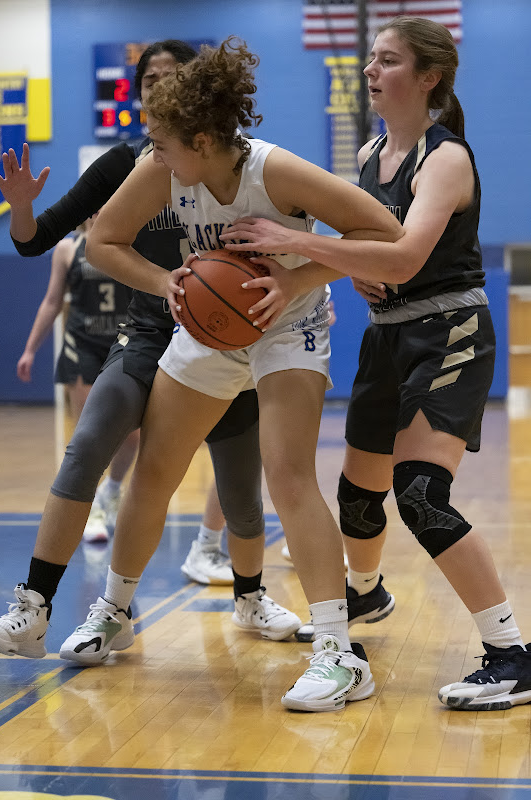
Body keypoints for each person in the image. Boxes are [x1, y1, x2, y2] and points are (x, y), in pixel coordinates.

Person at [76, 36, 403, 712]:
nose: (154, 154)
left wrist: (297, 276)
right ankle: (113, 609)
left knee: (286, 474)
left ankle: (338, 655)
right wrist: (165, 279)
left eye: (163, 144)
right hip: (209, 325)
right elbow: (102, 243)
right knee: (157, 468)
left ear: (200, 139)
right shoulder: (162, 169)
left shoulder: (277, 173)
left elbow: (386, 234)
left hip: (289, 323)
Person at [220, 18, 531, 711]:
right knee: (359, 500)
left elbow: (402, 258)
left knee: (419, 495)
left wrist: (292, 241)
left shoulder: (444, 158)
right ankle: (365, 595)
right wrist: (292, 278)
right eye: (370, 58)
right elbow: (356, 253)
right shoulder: (368, 154)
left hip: (447, 329)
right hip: (386, 336)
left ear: (428, 78)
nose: (369, 69)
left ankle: (511, 652)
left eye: (386, 60)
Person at [0, 40, 304, 667]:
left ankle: (251, 596)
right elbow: (40, 240)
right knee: (88, 442)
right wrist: (20, 210)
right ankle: (33, 609)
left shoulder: (239, 167)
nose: (159, 88)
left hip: (221, 338)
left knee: (239, 489)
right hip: (152, 330)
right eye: (150, 79)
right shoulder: (130, 163)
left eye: (173, 79)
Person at [16, 216, 140, 543]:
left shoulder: (133, 241)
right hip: (82, 345)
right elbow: (53, 301)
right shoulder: (67, 249)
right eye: (96, 206)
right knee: (91, 433)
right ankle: (88, 510)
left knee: (132, 435)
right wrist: (30, 350)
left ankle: (110, 492)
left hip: (125, 344)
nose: (101, 211)